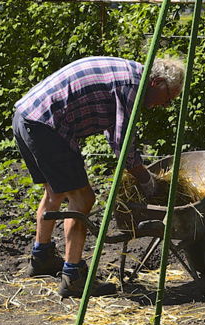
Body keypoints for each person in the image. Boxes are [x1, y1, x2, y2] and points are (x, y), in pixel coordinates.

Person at [12, 56, 185, 298]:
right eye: (166, 100)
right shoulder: (132, 86)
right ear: (156, 83)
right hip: (46, 124)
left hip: (26, 116)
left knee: (55, 191)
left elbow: (113, 131)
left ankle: (42, 257)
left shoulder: (129, 74)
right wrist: (145, 178)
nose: (161, 106)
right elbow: (122, 143)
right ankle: (73, 277)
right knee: (83, 199)